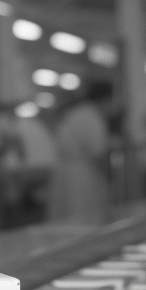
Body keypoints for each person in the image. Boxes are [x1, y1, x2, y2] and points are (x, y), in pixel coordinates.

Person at [47, 80, 112, 225]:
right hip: (83, 176)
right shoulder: (92, 116)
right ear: (106, 98)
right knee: (83, 221)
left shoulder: (75, 113)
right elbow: (98, 153)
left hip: (64, 172)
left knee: (64, 220)